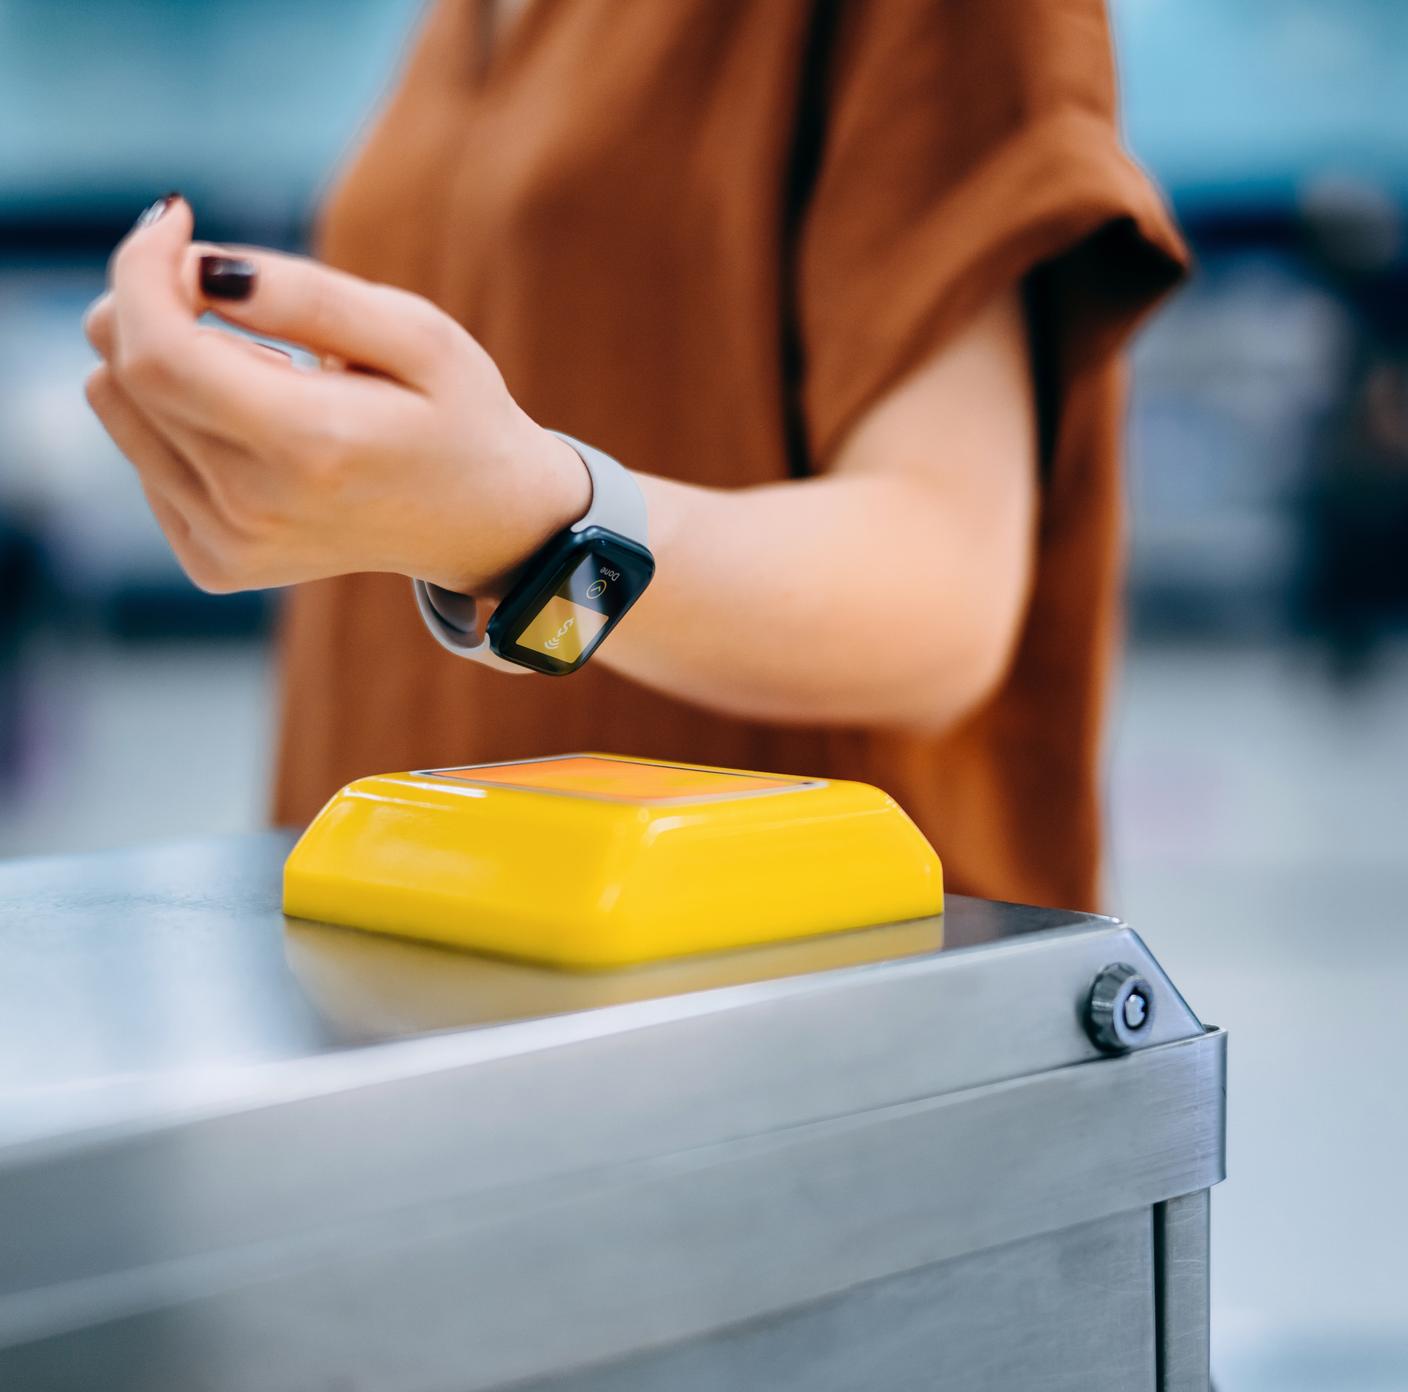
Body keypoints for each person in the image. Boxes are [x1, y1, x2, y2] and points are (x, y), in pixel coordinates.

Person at [83, 0, 1186, 911]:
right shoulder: (458, 25)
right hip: (405, 948)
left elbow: (944, 594)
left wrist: (529, 535)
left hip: (748, 1009)